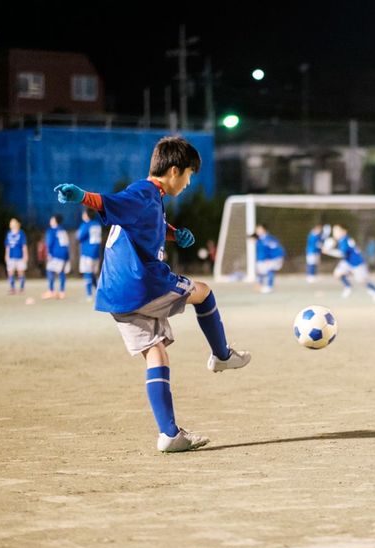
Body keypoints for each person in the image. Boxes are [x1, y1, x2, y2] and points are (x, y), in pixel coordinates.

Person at [54, 135, 251, 452]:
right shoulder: (145, 192)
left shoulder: (150, 199)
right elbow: (111, 203)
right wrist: (80, 195)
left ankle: (170, 434)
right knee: (204, 292)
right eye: (188, 175)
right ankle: (222, 355)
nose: (188, 183)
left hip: (116, 294)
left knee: (156, 353)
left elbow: (146, 223)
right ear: (175, 171)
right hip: (143, 283)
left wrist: (174, 234)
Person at [322, 224, 375, 298]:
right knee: (337, 274)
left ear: (344, 231)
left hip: (356, 263)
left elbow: (342, 254)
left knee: (362, 280)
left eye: (337, 231)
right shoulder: (342, 240)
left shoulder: (345, 240)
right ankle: (348, 287)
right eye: (334, 231)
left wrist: (328, 251)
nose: (335, 233)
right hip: (347, 261)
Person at [42, 214, 71, 300]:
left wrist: (49, 254)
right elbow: (66, 243)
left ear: (55, 221)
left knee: (50, 271)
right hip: (64, 254)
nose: (50, 221)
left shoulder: (51, 230)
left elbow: (49, 243)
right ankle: (62, 292)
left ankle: (51, 291)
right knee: (61, 272)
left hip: (55, 254)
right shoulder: (63, 230)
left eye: (51, 219)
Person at [77, 208, 103, 301]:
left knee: (87, 272)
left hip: (87, 252)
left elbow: (79, 236)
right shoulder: (97, 224)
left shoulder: (86, 224)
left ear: (87, 215)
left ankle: (89, 294)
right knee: (93, 274)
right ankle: (98, 291)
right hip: (96, 252)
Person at [252, 224, 284, 294]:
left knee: (269, 271)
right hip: (260, 259)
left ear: (264, 230)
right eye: (257, 229)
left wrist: (270, 258)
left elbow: (275, 249)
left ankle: (269, 286)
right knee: (260, 273)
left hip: (268, 259)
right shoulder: (259, 239)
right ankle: (260, 286)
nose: (257, 231)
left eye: (259, 229)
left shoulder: (269, 239)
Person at [4, 218, 28, 295]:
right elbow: (7, 246)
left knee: (20, 272)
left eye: (14, 223)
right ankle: (12, 288)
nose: (13, 225)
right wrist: (6, 255)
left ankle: (21, 288)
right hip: (11, 256)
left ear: (17, 224)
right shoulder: (9, 234)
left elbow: (24, 246)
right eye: (11, 223)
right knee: (10, 272)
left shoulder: (21, 233)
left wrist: (25, 255)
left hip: (20, 256)